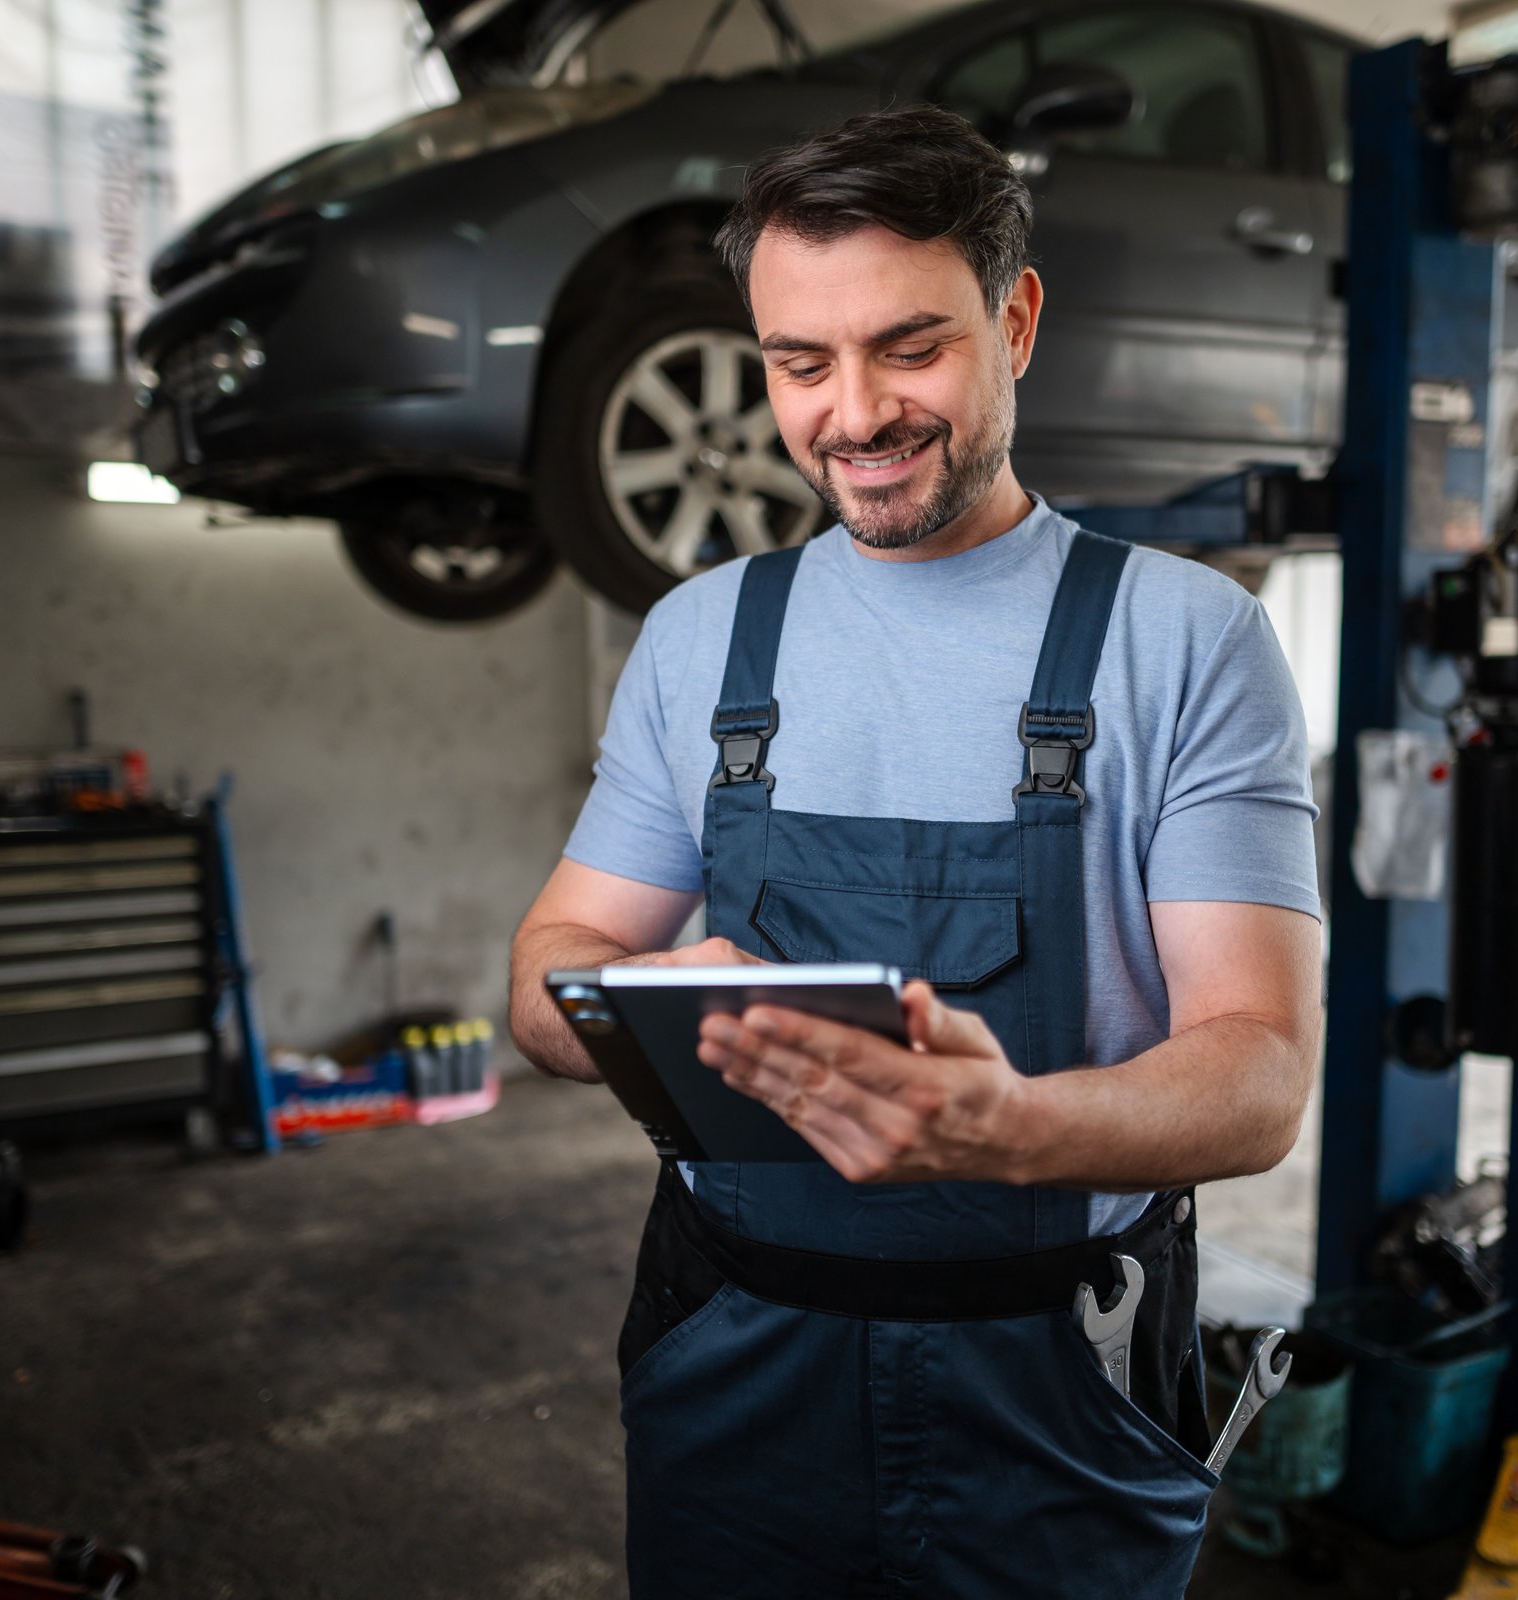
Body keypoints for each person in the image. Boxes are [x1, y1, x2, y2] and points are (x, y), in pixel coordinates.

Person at [508, 103, 1322, 1598]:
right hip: (735, 1367)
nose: (854, 414)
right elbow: (544, 967)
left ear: (1014, 318)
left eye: (910, 347)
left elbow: (1261, 1069)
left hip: (1055, 1389)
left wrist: (1011, 1126)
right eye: (799, 364)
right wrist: (642, 1009)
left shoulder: (1183, 640)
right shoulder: (702, 642)